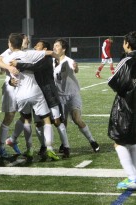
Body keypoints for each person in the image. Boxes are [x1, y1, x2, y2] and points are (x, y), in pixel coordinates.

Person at [10, 40, 70, 158]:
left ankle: (66, 146)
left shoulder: (47, 60)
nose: (35, 47)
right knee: (38, 123)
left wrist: (18, 64)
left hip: (49, 95)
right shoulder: (31, 58)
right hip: (37, 95)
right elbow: (22, 75)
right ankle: (44, 146)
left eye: (38, 45)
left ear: (44, 50)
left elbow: (34, 68)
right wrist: (11, 81)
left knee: (57, 122)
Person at [53, 38, 100, 153]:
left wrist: (76, 68)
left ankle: (92, 141)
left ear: (63, 49)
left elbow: (74, 68)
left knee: (76, 119)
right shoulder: (51, 62)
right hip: (60, 96)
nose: (54, 47)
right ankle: (64, 144)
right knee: (63, 122)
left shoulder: (68, 61)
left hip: (73, 94)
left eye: (57, 45)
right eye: (54, 45)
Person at [107, 31, 136, 190]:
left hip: (127, 106)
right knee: (132, 141)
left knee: (119, 142)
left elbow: (114, 82)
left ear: (128, 44)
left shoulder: (127, 60)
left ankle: (132, 177)